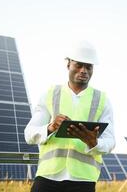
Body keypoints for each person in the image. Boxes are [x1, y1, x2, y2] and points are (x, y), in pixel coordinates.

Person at [24, 41, 115, 192]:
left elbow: (110, 141)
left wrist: (94, 143)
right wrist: (50, 127)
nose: (83, 70)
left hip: (83, 180)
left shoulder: (102, 100)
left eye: (88, 67)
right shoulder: (50, 94)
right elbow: (29, 134)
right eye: (79, 65)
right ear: (68, 65)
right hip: (47, 178)